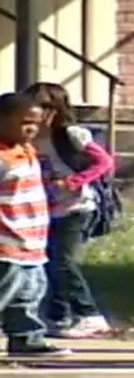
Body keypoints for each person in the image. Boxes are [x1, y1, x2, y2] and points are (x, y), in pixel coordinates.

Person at [25, 83, 115, 338]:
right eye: (33, 105)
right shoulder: (28, 138)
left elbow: (104, 162)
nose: (38, 112)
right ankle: (59, 316)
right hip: (46, 209)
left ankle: (90, 315)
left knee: (63, 262)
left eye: (45, 106)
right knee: (47, 263)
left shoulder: (71, 135)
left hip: (77, 207)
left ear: (57, 109)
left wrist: (75, 181)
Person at [0, 92, 71, 357]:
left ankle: (26, 338)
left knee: (29, 296)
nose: (31, 129)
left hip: (32, 241)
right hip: (6, 242)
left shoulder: (26, 150)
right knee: (5, 292)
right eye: (23, 122)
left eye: (35, 123)